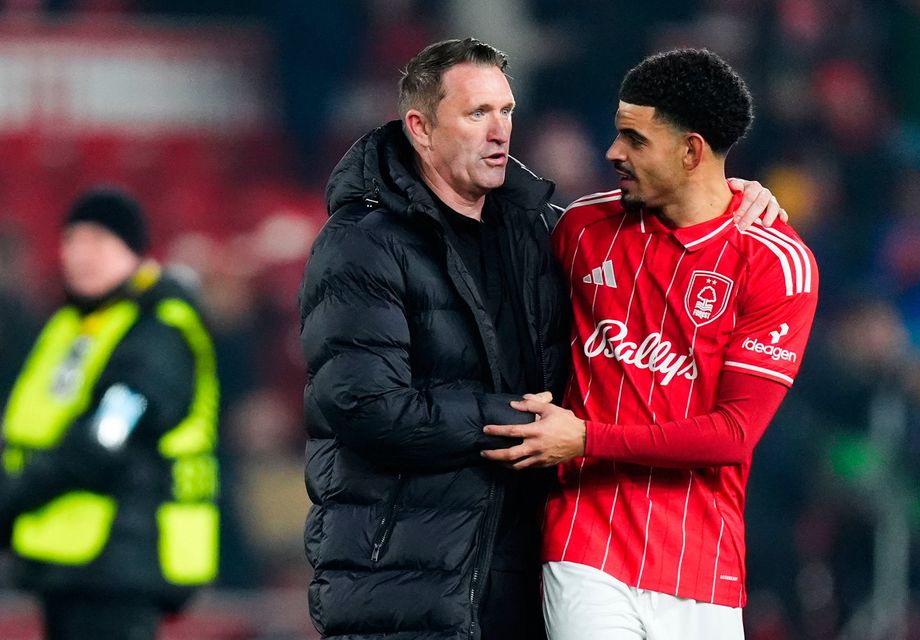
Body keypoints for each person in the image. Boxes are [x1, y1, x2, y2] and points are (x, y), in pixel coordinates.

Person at [299, 38, 784, 640]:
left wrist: (729, 194)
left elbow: (668, 222)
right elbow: (360, 403)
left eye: (506, 111)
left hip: (517, 578)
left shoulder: (544, 233)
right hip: (404, 582)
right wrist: (516, 422)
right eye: (477, 114)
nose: (500, 131)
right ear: (420, 128)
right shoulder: (363, 242)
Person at [482, 48, 819, 640]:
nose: (612, 153)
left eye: (635, 140)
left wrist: (586, 437)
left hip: (704, 564)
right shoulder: (581, 232)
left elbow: (733, 434)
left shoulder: (775, 262)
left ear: (691, 151)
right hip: (586, 546)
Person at [0, 188, 219, 640]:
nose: (82, 255)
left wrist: (11, 496)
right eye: (72, 241)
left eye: (100, 242)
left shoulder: (158, 330)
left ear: (135, 251)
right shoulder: (73, 324)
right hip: (70, 562)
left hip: (122, 563)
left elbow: (104, 440)